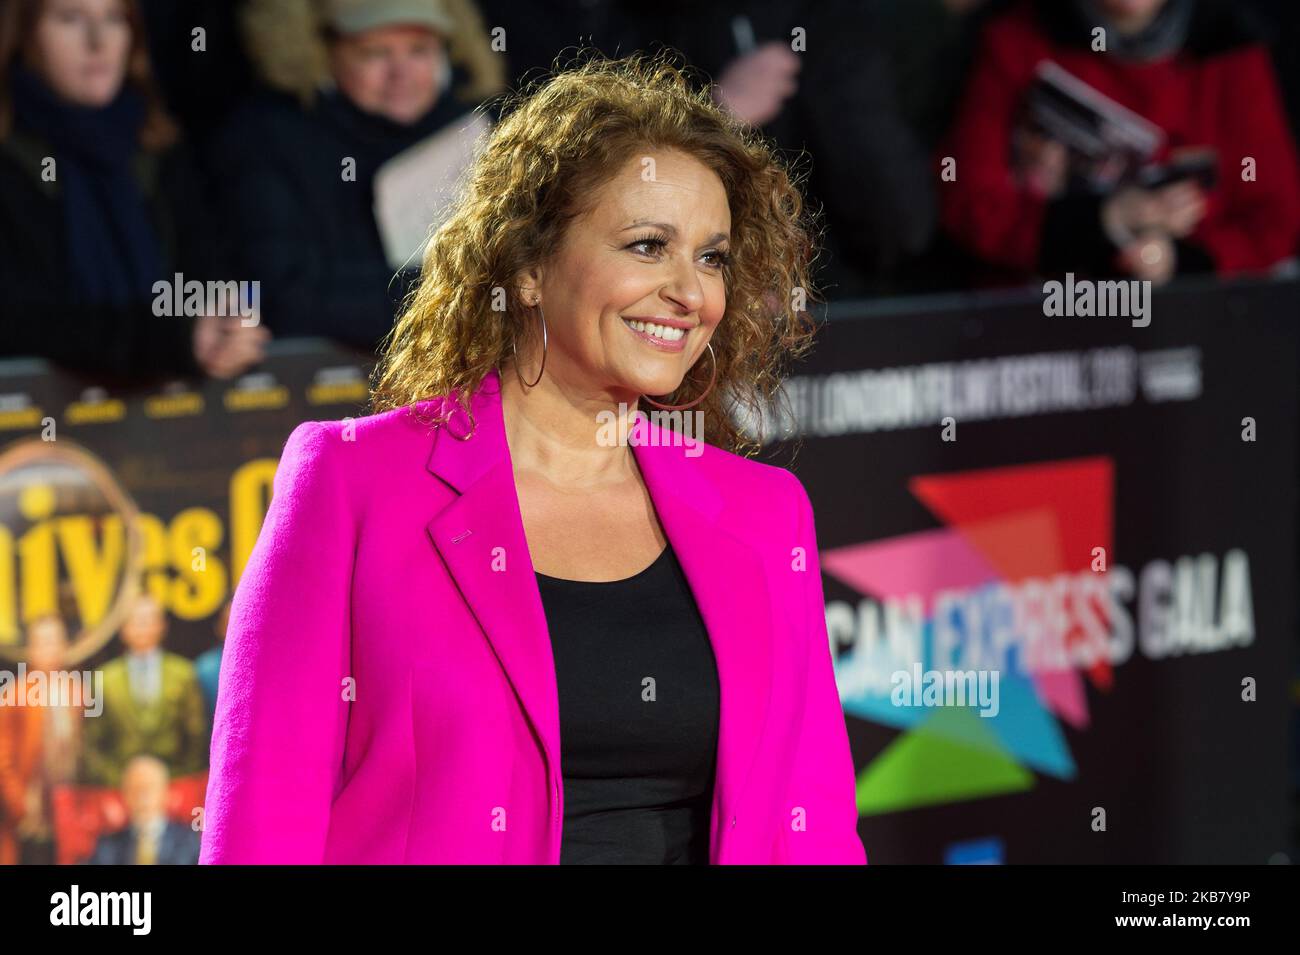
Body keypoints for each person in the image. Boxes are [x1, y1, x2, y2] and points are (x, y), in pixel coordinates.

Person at [200, 51, 866, 865]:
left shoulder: (766, 513)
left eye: (712, 257)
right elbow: (262, 826)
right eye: (648, 245)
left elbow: (814, 830)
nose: (691, 293)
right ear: (525, 265)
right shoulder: (351, 482)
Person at [213, 0, 504, 356]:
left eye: (419, 50)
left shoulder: (480, 129)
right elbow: (284, 299)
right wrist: (456, 290)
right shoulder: (269, 140)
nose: (401, 72)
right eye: (374, 53)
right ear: (323, 53)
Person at [939, 0, 1300, 285]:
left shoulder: (1229, 51)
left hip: (1192, 329)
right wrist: (1104, 219)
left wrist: (1179, 261)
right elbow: (964, 197)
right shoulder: (1017, 39)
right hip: (1039, 323)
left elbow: (1275, 218)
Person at [0, 0, 269, 382]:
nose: (98, 42)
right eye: (70, 18)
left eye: (114, 19)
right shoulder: (11, 165)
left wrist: (224, 326)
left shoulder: (162, 152)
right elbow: (21, 322)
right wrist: (174, 340)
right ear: (24, 35)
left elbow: (215, 278)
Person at [85, 754, 201, 864]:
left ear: (165, 793)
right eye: (135, 788)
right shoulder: (108, 847)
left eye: (149, 787)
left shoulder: (188, 842)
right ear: (124, 794)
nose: (142, 796)